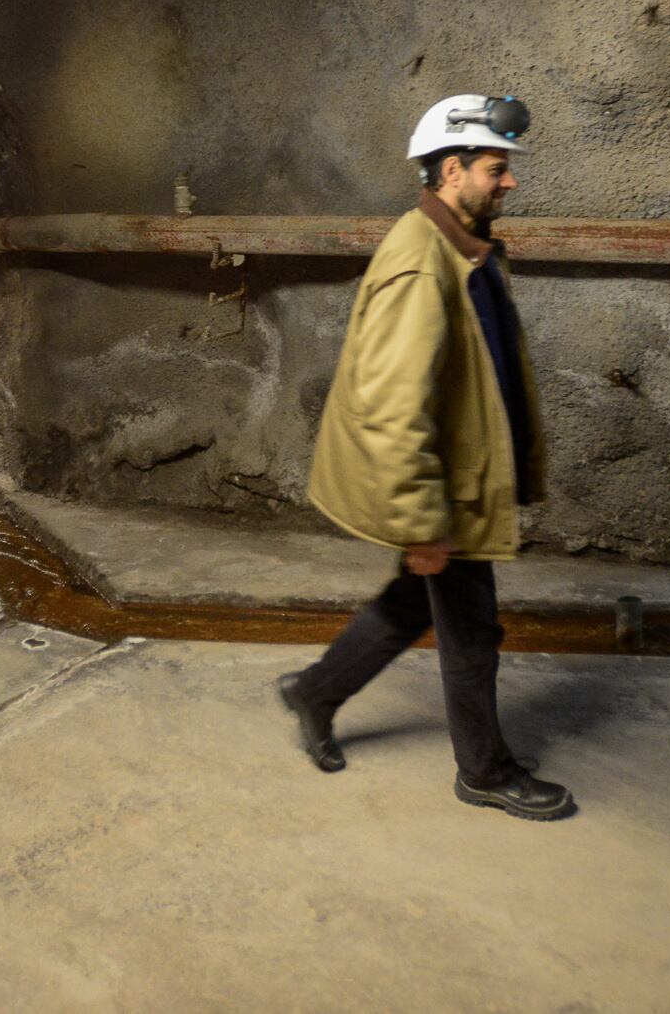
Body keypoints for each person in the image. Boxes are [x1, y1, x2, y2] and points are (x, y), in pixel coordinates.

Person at [277, 93, 575, 822]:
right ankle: (484, 770)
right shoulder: (421, 265)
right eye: (496, 168)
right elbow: (392, 404)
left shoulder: (458, 247)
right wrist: (421, 518)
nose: (509, 182)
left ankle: (316, 691)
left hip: (464, 474)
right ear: (452, 169)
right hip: (445, 486)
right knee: (471, 632)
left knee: (417, 598)